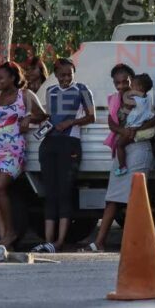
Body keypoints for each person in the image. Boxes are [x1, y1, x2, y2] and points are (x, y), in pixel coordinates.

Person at [92, 65, 155, 252]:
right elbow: (111, 122)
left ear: (134, 81)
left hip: (139, 150)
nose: (122, 85)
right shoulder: (116, 100)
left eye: (126, 81)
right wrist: (122, 130)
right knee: (113, 198)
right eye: (118, 82)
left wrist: (136, 130)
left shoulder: (141, 98)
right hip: (122, 149)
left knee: (136, 199)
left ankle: (143, 243)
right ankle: (99, 242)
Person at [0, 61, 47, 248]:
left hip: (13, 149)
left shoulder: (25, 96)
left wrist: (28, 117)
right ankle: (4, 240)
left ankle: (10, 232)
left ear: (13, 78)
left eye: (2, 77)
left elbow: (42, 116)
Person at [32, 57, 95, 253]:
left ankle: (60, 241)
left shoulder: (82, 90)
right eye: (61, 75)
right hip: (49, 143)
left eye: (69, 74)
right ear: (55, 75)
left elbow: (91, 116)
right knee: (50, 192)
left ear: (74, 73)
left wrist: (70, 123)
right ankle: (49, 240)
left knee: (64, 192)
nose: (66, 78)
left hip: (70, 143)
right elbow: (50, 116)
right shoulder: (51, 91)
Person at [113, 73, 155, 175]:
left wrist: (121, 111)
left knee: (119, 145)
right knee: (153, 141)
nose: (130, 88)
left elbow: (122, 114)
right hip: (144, 125)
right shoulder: (148, 98)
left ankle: (122, 166)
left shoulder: (133, 100)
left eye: (132, 86)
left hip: (132, 128)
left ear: (140, 88)